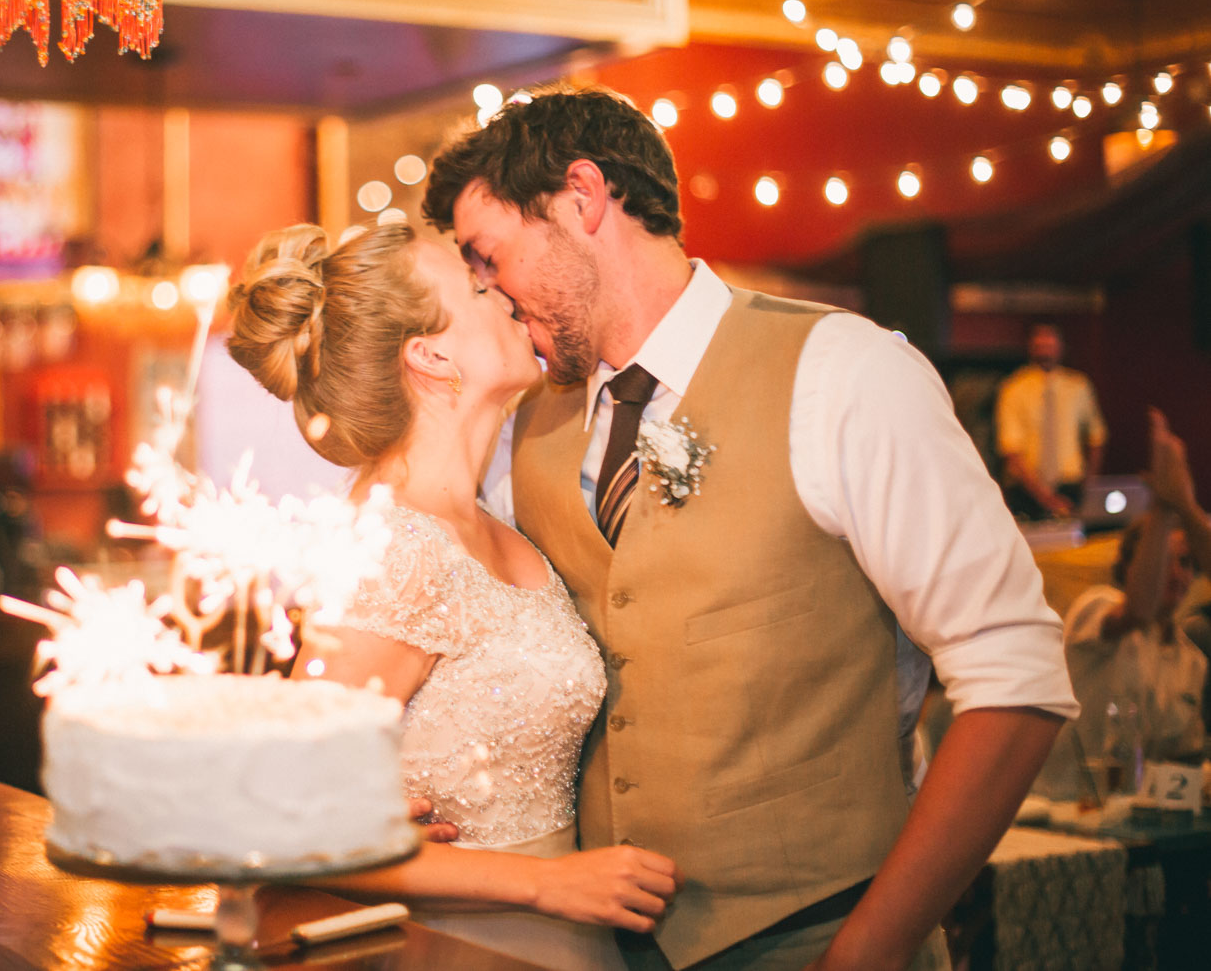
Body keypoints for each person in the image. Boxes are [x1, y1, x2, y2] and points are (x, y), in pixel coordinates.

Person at [420, 84, 1079, 971]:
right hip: (599, 948)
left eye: (488, 256)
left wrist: (865, 954)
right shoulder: (522, 430)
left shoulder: (844, 373)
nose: (488, 293)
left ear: (582, 198)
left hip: (821, 936)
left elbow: (1016, 680)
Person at [225, 219, 678, 970]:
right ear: (430, 355)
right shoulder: (393, 549)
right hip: (472, 945)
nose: (501, 290)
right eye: (474, 286)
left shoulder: (499, 522)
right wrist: (546, 883)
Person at [1035, 410, 1208, 802]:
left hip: (1137, 822)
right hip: (1066, 810)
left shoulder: (1192, 660)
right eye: (1165, 560)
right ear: (1131, 566)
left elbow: (1180, 767)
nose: (1178, 574)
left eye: (1187, 563)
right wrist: (1163, 507)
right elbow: (1139, 611)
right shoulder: (1097, 609)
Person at [994, 323, 1107, 519]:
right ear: (1031, 347)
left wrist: (1089, 487)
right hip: (1027, 489)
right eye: (1040, 344)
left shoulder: (1078, 386)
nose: (1045, 348)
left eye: (1050, 343)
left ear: (1061, 347)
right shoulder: (1013, 388)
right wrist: (1045, 498)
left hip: (1070, 484)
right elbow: (1011, 449)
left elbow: (1096, 438)